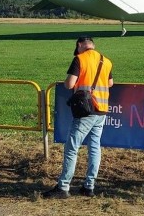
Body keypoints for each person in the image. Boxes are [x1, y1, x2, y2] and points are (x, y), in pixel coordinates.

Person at [43, 36, 113, 199]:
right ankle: (89, 186)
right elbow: (110, 83)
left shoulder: (79, 59)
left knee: (72, 147)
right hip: (101, 110)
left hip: (86, 110)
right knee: (94, 147)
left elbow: (69, 84)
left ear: (80, 45)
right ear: (93, 46)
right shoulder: (106, 61)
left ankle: (63, 187)